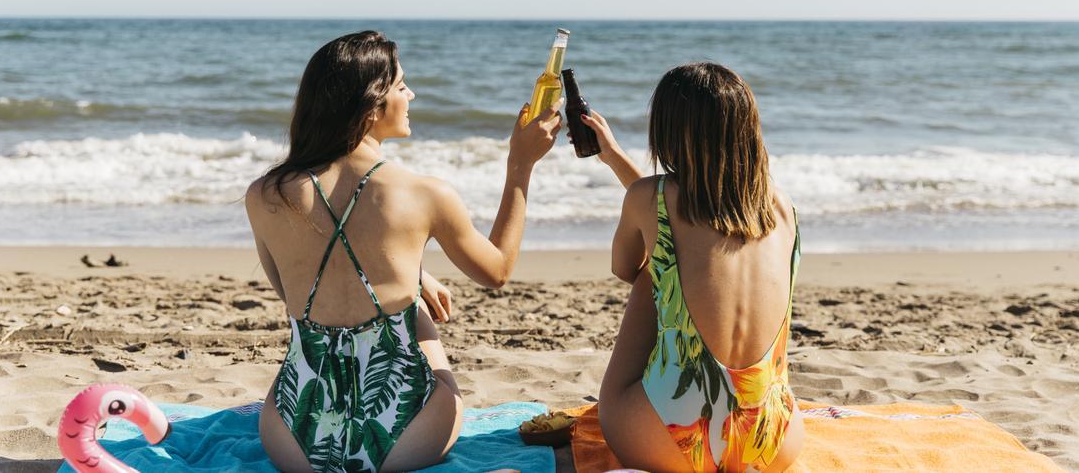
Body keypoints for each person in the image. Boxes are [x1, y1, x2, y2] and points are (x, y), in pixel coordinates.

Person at [245, 31, 561, 473]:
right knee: (414, 317)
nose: (410, 94)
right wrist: (520, 165)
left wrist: (412, 273)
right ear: (372, 105)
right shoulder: (422, 193)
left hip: (293, 437)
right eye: (400, 86)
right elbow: (497, 270)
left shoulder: (265, 194)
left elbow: (290, 293)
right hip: (405, 432)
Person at [580, 62, 805, 472]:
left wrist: (619, 167)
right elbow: (690, 214)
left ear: (667, 132)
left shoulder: (648, 197)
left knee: (652, 274)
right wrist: (613, 158)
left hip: (671, 437)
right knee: (668, 265)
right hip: (772, 440)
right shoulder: (781, 206)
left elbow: (625, 266)